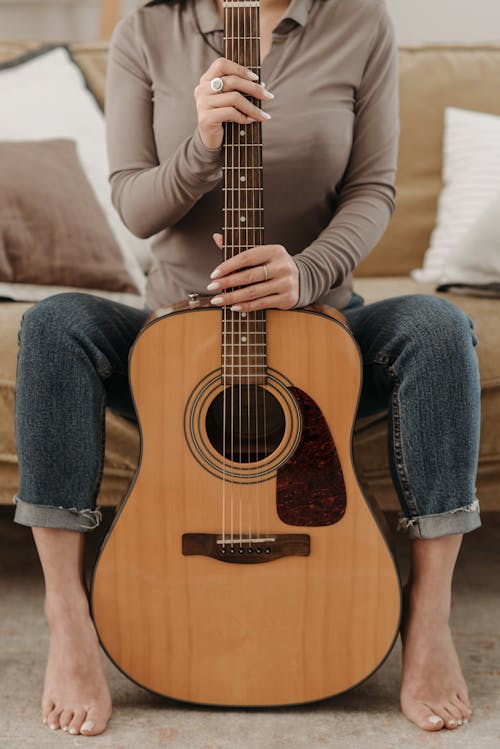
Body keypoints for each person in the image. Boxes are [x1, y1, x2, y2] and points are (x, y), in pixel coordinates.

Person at [12, 0, 481, 737]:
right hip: (173, 340)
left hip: (321, 326)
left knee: (440, 327)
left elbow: (373, 190)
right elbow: (134, 205)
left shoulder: (360, 24)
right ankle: (69, 616)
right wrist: (201, 144)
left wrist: (307, 270)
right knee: (52, 325)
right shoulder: (146, 29)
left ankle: (427, 618)